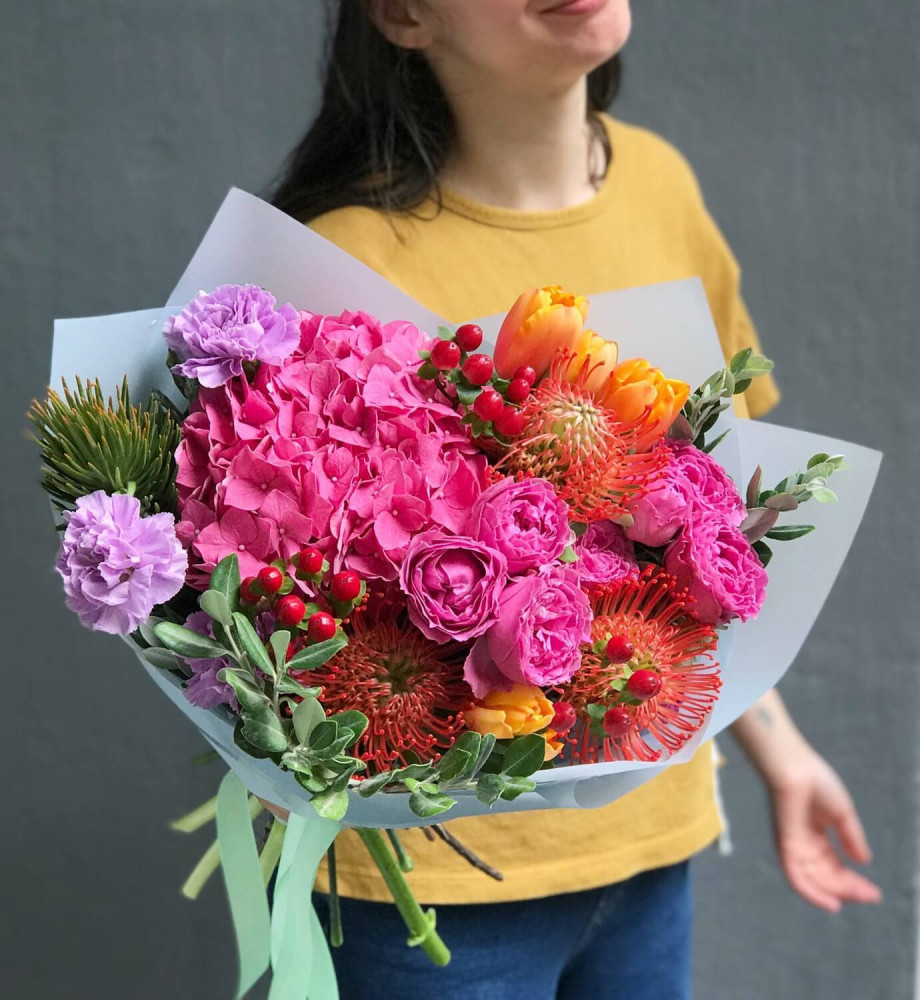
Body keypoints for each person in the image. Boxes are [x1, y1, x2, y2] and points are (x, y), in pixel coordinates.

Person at [269, 2, 882, 996]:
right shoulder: (341, 260)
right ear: (406, 15)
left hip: (649, 846)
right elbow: (291, 591)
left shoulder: (661, 184)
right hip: (431, 893)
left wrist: (782, 751)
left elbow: (707, 542)